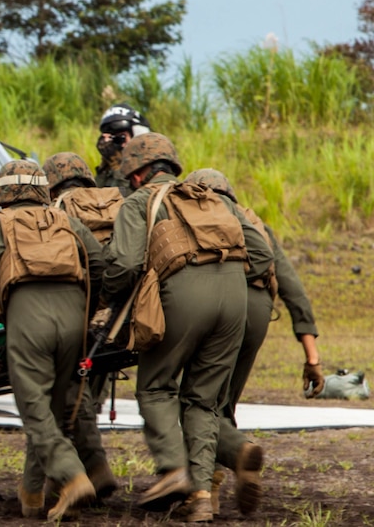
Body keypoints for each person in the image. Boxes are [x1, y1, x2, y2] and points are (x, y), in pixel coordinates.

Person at [101, 134, 273, 522]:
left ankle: (175, 472)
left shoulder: (139, 201)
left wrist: (110, 299)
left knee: (156, 386)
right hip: (235, 300)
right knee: (202, 400)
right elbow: (261, 255)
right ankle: (203, 495)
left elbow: (125, 265)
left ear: (140, 173)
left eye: (131, 175)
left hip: (183, 296)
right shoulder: (212, 198)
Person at [0, 159, 104, 521]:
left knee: (34, 410)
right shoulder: (69, 222)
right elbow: (99, 265)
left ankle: (72, 475)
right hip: (72, 322)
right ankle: (32, 494)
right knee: (50, 408)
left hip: (28, 322)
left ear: (2, 193)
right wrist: (87, 310)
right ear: (42, 191)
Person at [185, 168, 325, 516]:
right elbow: (294, 291)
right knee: (223, 402)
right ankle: (215, 490)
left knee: (194, 400)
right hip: (258, 308)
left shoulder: (193, 216)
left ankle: (236, 454)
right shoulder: (256, 224)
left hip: (215, 303)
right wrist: (312, 358)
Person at [42, 151, 122, 502]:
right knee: (89, 388)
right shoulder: (116, 203)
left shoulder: (56, 210)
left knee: (69, 388)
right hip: (120, 315)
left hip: (78, 312)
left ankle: (90, 467)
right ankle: (86, 468)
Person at [94, 103, 151, 196]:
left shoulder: (149, 168)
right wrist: (104, 168)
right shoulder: (111, 170)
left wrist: (118, 167)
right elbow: (94, 198)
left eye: (121, 138)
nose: (116, 145)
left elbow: (131, 200)